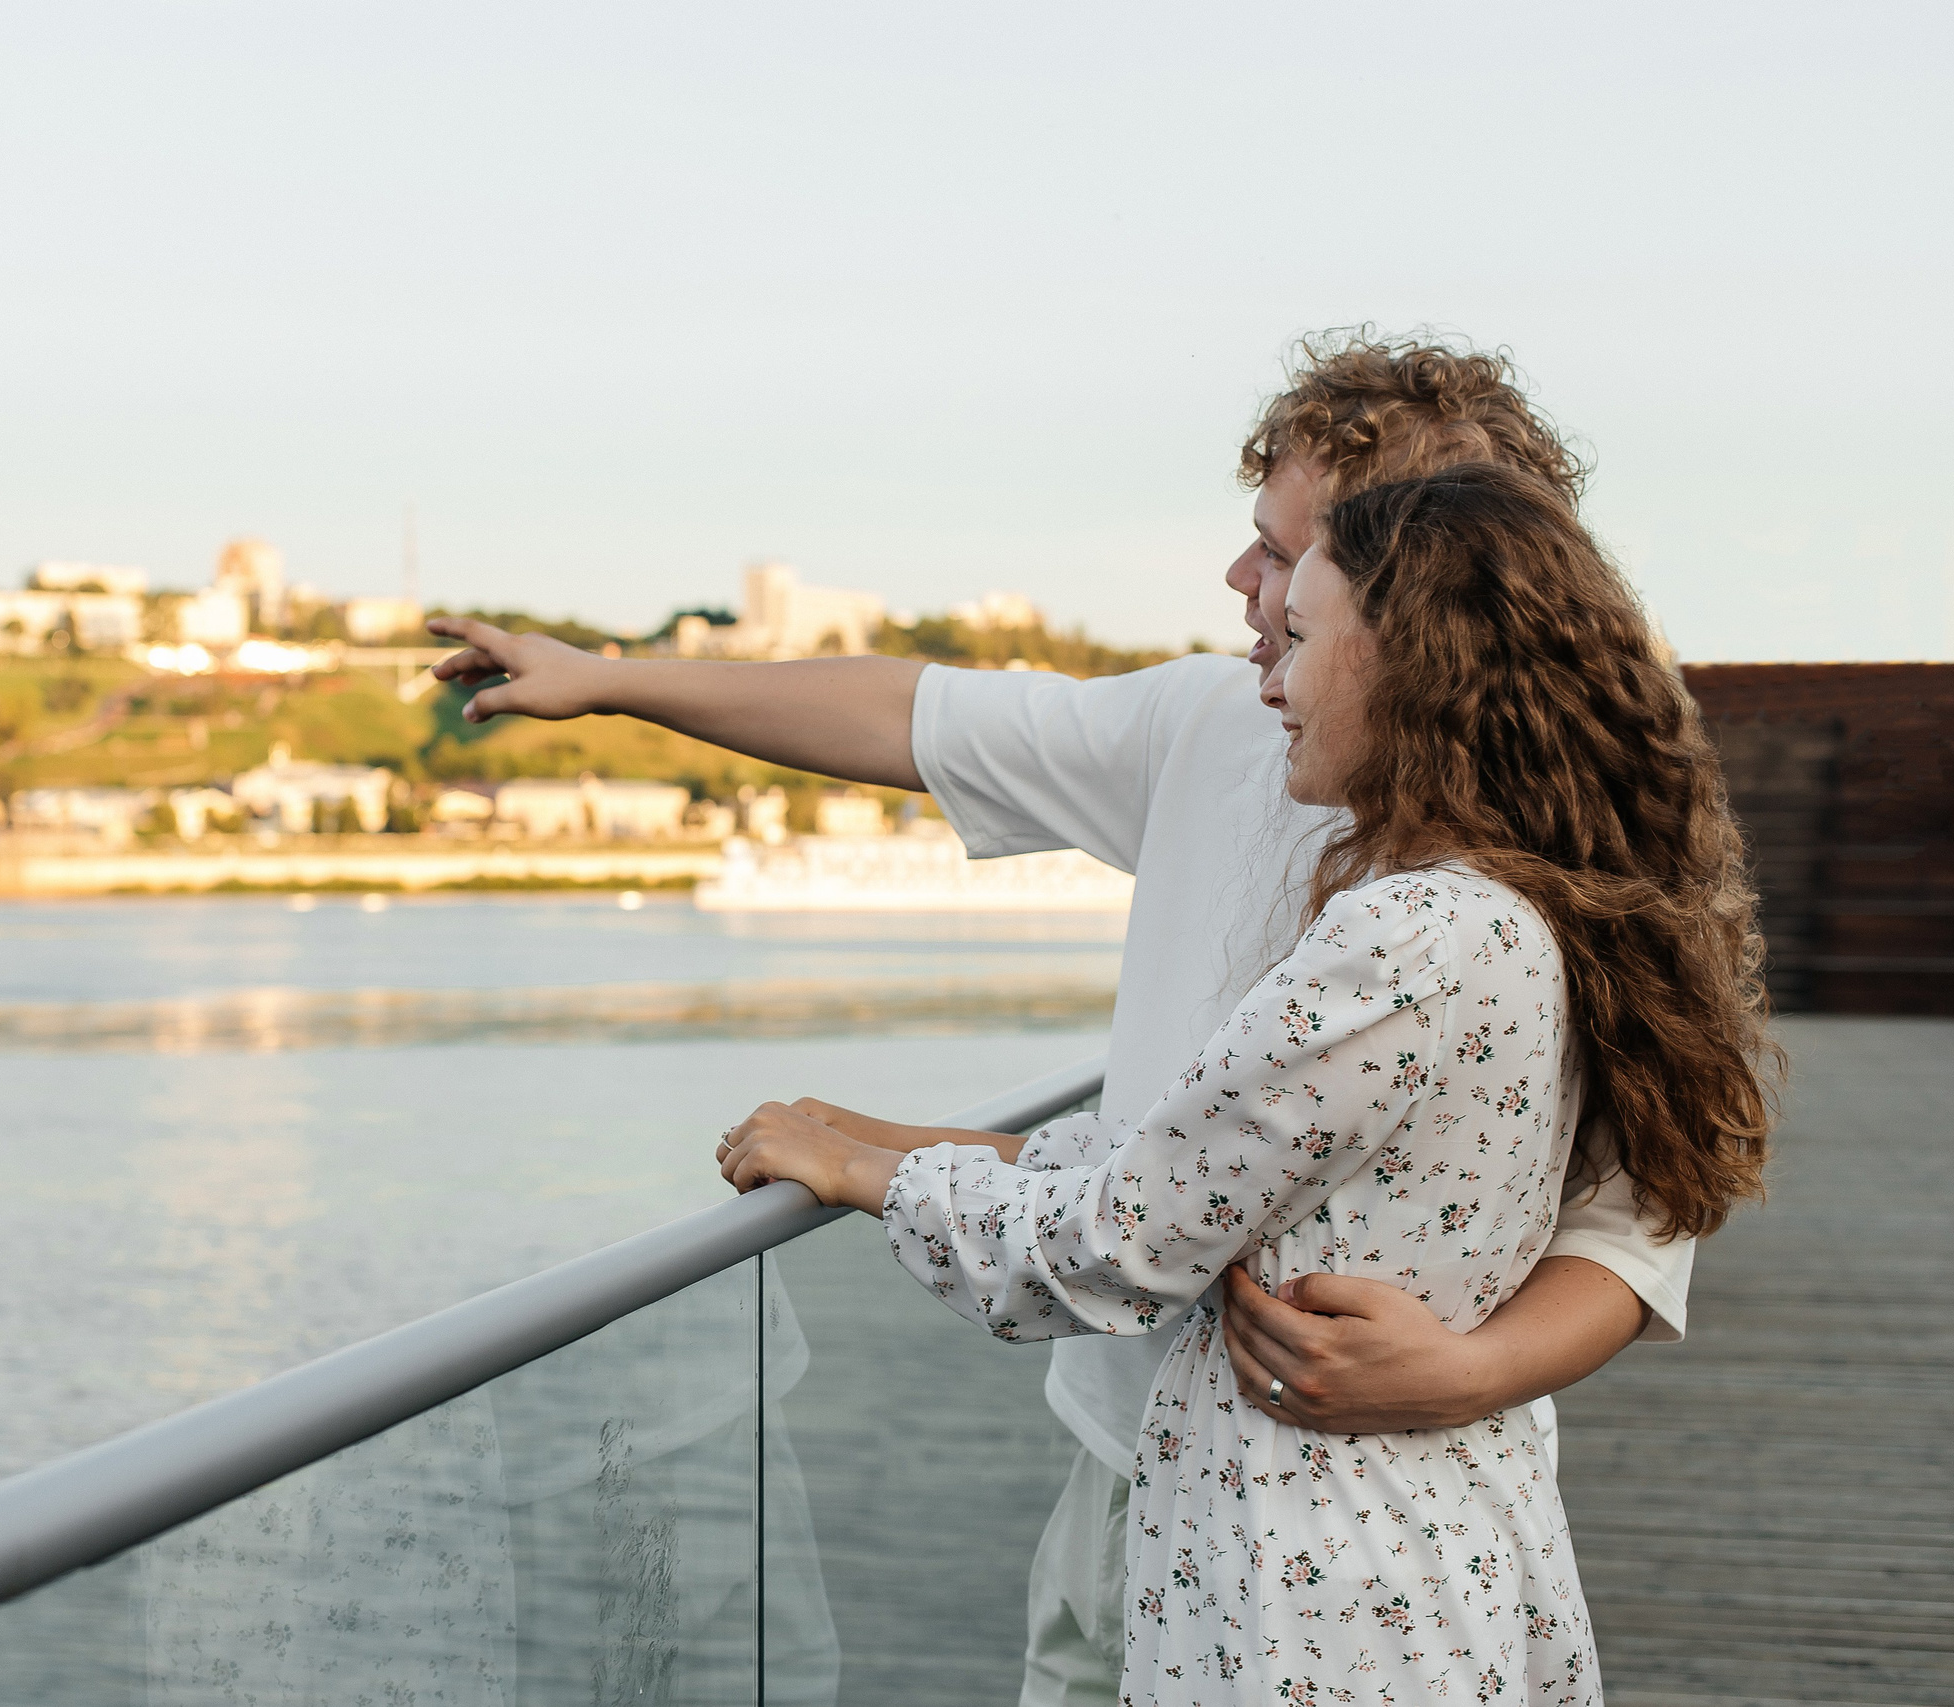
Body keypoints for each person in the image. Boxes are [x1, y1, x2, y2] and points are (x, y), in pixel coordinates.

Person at [429, 335, 1695, 1700]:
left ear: (1414, 603)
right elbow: (919, 719)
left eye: (1287, 559)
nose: (1244, 584)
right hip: (1204, 1481)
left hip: (1318, 1543)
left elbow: (1140, 1237)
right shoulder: (1342, 789)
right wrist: (612, 680)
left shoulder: (1427, 919)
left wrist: (1465, 1372)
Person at [718, 462, 1777, 1702]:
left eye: (1302, 641)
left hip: (1313, 1583)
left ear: (1410, 668)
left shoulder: (1402, 941)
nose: (1269, 682)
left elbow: (1114, 1245)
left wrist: (867, 1177)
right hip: (1440, 1535)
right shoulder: (1525, 911)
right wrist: (890, 1140)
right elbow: (1211, 1171)